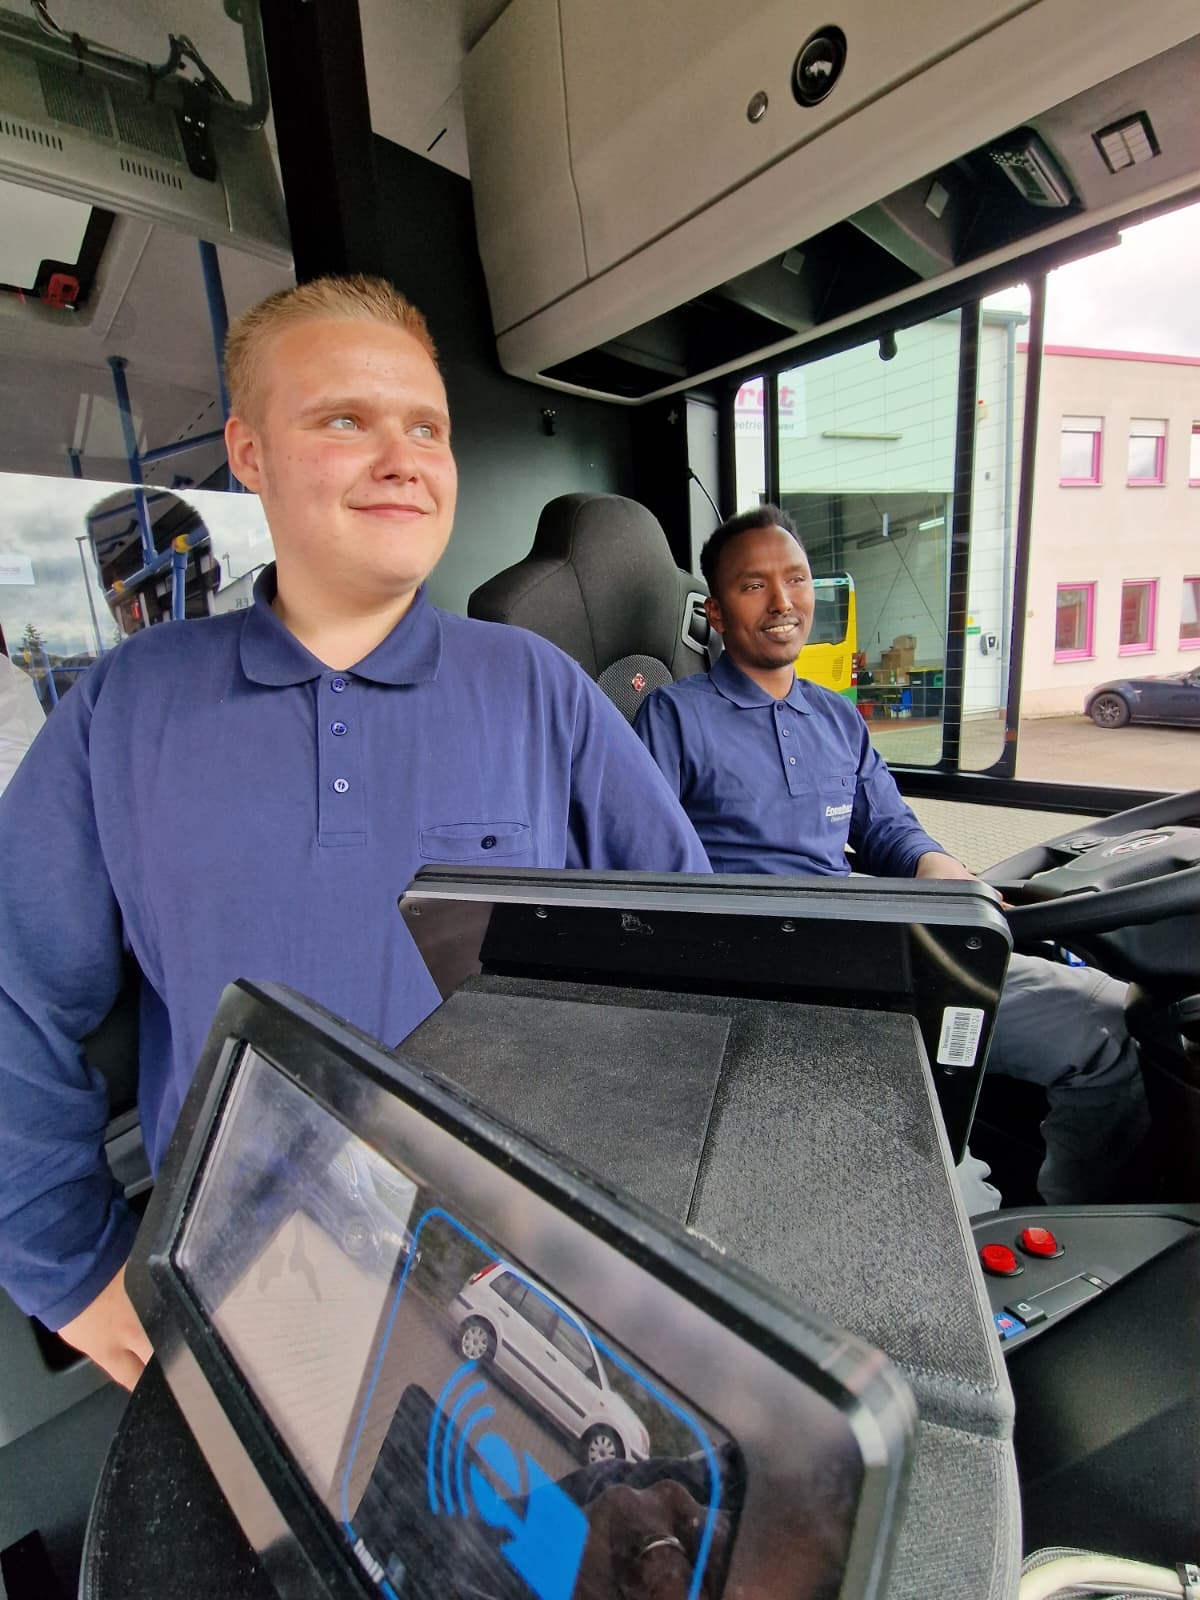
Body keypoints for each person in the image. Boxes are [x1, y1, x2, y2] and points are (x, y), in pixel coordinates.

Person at [0, 276, 709, 1389]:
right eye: (344, 420)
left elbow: (687, 953)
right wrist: (68, 1265)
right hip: (249, 1296)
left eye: (425, 425)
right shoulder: (128, 706)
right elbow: (12, 988)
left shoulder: (537, 687)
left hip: (522, 1290)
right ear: (249, 453)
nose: (402, 456)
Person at [634, 505, 1149, 1211]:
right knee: (952, 1189)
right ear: (717, 614)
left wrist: (948, 876)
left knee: (1107, 1026)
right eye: (754, 586)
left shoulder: (837, 716)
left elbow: (890, 830)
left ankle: (1075, 1229)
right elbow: (652, 874)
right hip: (765, 974)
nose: (783, 602)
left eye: (796, 579)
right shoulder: (674, 716)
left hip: (882, 942)